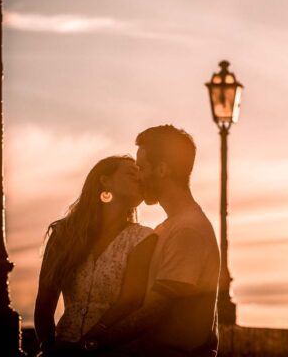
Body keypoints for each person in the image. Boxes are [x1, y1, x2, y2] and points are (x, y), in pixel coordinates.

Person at [78, 125, 221, 356]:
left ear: (162, 169)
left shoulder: (188, 230)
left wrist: (91, 344)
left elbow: (154, 311)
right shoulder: (168, 228)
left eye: (142, 168)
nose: (139, 178)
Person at [34, 156, 156, 356]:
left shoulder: (143, 238)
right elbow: (45, 298)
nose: (139, 178)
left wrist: (89, 343)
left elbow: (130, 302)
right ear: (105, 180)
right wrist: (48, 347)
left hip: (116, 349)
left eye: (140, 174)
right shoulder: (64, 234)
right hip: (63, 348)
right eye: (131, 173)